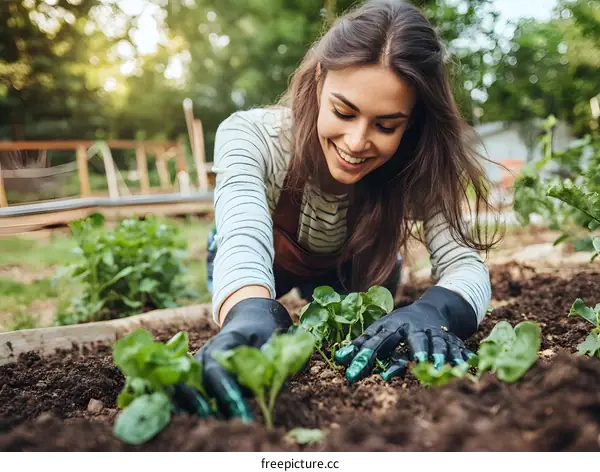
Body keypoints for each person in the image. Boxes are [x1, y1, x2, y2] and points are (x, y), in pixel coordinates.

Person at [174, 0, 502, 423]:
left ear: (413, 120)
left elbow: (464, 262)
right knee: (246, 291)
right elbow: (241, 235)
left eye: (386, 126)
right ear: (318, 79)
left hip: (354, 268)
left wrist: (435, 310)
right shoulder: (253, 135)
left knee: (369, 324)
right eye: (343, 112)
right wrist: (250, 313)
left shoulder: (418, 161)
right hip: (265, 261)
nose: (356, 141)